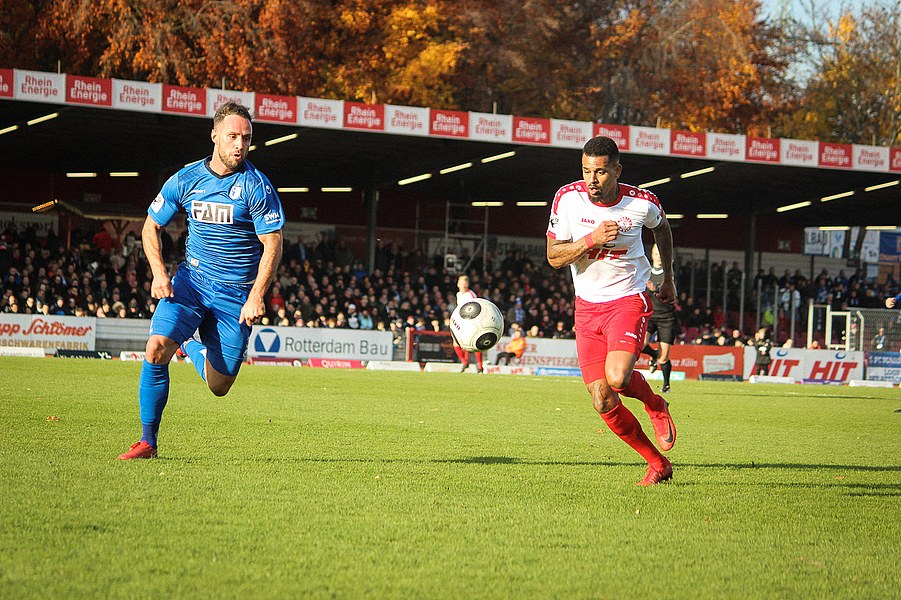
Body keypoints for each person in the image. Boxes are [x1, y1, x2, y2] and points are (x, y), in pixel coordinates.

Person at [117, 102, 285, 460]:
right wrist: (159, 274)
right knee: (155, 348)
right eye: (233, 136)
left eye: (246, 138)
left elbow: (273, 243)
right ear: (215, 136)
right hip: (191, 283)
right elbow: (150, 227)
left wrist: (256, 295)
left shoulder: (256, 186)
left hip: (235, 295)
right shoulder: (186, 179)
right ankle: (147, 442)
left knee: (219, 385)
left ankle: (190, 346)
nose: (240, 144)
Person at [546, 136, 677, 486]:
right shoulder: (567, 198)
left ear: (617, 171)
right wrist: (590, 240)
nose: (592, 179)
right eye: (586, 170)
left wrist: (667, 278)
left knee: (618, 378)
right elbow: (554, 257)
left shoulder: (642, 203)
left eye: (601, 172)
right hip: (586, 308)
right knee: (602, 399)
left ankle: (655, 404)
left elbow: (662, 229)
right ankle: (658, 464)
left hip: (627, 298)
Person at [641, 243, 679, 393]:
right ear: (652, 255)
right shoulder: (645, 272)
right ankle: (654, 355)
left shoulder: (670, 275)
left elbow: (673, 296)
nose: (658, 257)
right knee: (640, 344)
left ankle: (666, 385)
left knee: (664, 358)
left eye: (661, 254)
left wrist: (655, 289)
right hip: (650, 315)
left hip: (666, 318)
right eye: (656, 254)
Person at [452, 274, 485, 373]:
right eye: (461, 283)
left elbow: (476, 306)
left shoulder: (470, 294)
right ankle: (464, 362)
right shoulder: (458, 294)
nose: (463, 285)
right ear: (458, 284)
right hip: (462, 321)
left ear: (467, 284)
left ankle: (480, 366)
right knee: (456, 343)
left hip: (471, 321)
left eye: (464, 283)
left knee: (474, 342)